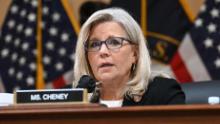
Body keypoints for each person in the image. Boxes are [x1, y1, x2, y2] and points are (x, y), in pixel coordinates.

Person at [73, 7, 185, 107]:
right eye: (94, 44)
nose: (103, 51)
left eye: (114, 42)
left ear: (135, 54)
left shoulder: (163, 94)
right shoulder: (71, 96)